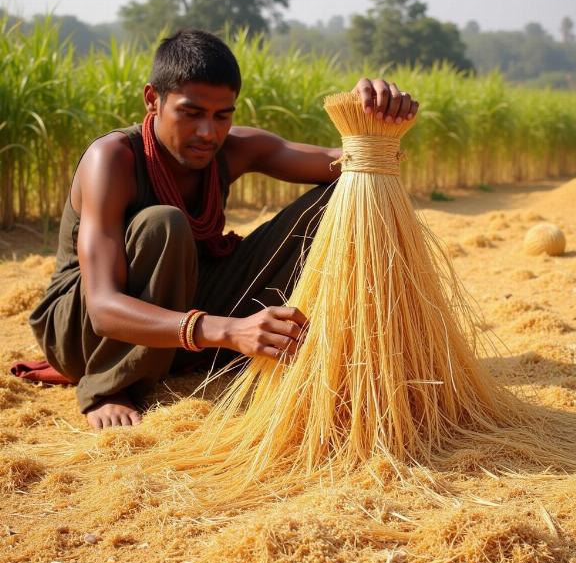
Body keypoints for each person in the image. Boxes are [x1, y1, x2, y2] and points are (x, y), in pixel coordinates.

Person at [29, 29, 419, 430]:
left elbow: (346, 162)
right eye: (191, 113)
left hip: (182, 304)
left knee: (340, 193)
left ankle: (211, 349)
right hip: (85, 331)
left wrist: (370, 119)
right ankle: (110, 385)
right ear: (153, 100)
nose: (207, 133)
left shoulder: (232, 149)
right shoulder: (112, 159)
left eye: (222, 116)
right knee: (162, 224)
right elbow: (103, 308)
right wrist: (230, 330)